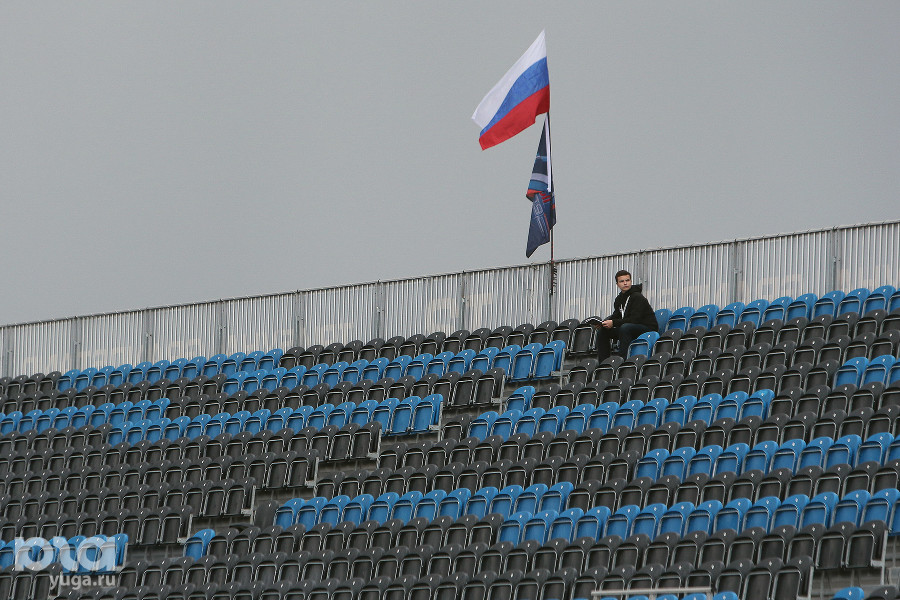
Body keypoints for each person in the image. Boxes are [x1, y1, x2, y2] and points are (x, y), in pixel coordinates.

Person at [593, 270, 658, 362]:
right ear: (617, 284)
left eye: (627, 280)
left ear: (631, 281)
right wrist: (604, 323)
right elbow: (616, 315)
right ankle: (604, 362)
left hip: (647, 327)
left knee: (625, 328)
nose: (625, 283)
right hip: (629, 327)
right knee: (603, 331)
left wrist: (613, 322)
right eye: (622, 281)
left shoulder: (637, 297)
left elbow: (635, 319)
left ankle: (623, 361)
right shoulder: (619, 299)